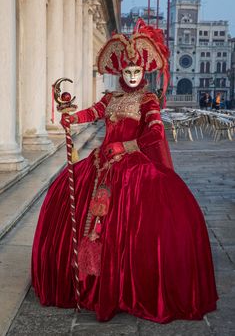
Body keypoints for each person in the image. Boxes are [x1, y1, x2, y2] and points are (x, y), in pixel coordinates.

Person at [31, 19, 218, 323]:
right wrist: (70, 118)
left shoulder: (148, 101)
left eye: (136, 72)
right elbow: (92, 112)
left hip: (132, 164)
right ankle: (90, 281)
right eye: (127, 72)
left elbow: (155, 135)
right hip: (100, 163)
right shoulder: (111, 98)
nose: (131, 77)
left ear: (144, 73)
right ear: (120, 73)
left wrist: (124, 147)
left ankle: (123, 286)